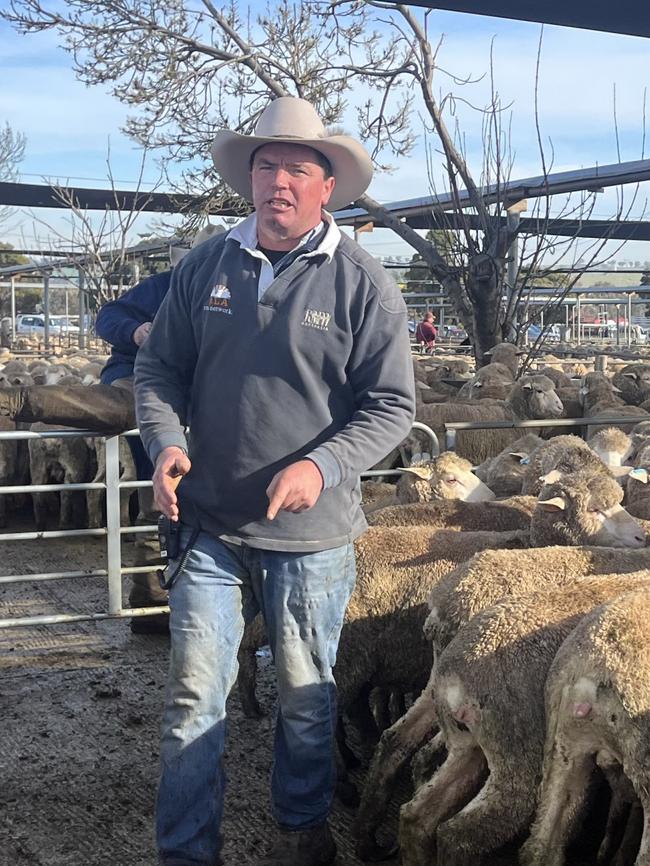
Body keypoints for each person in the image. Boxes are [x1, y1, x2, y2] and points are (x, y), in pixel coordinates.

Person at [133, 96, 415, 866]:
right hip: (210, 524)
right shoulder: (205, 265)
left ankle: (300, 829)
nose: (279, 182)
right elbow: (159, 369)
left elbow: (392, 406)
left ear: (328, 186)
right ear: (248, 178)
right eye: (266, 166)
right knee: (194, 694)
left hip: (310, 535)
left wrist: (319, 465)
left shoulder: (362, 283)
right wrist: (163, 443)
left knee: (304, 695)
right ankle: (188, 852)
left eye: (298, 168)